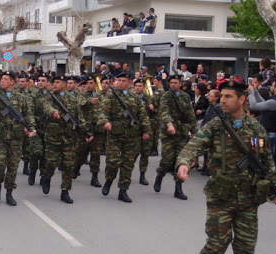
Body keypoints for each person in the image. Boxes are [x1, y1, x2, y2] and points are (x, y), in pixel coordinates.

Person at [177, 78, 276, 254]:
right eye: (222, 96)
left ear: (242, 99)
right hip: (221, 197)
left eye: (229, 97)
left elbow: (266, 164)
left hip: (249, 198)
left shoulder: (256, 128)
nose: (223, 100)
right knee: (217, 244)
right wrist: (185, 163)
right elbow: (193, 145)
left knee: (245, 250)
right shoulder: (216, 125)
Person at [0, 72, 36, 206]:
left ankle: (9, 192)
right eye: (2, 79)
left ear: (13, 82)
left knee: (13, 166)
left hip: (16, 137)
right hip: (0, 137)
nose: (2, 81)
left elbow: (28, 115)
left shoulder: (20, 97)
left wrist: (31, 128)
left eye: (6, 79)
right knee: (0, 163)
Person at [98, 72, 151, 202]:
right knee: (113, 161)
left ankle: (123, 190)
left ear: (129, 83)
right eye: (119, 80)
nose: (120, 83)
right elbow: (102, 111)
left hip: (132, 135)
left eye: (123, 81)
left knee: (128, 164)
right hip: (115, 134)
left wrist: (146, 130)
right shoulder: (111, 96)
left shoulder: (136, 98)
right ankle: (109, 180)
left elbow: (143, 115)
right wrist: (106, 122)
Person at [41, 75, 93, 204]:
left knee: (68, 165)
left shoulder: (73, 99)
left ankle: (65, 191)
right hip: (54, 137)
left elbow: (79, 117)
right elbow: (46, 106)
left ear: (64, 84)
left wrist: (87, 132)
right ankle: (46, 176)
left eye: (58, 82)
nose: (55, 84)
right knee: (52, 162)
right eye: (54, 82)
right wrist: (53, 112)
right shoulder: (49, 96)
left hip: (69, 138)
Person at [154, 73, 197, 199]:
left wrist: (194, 130)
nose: (173, 85)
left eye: (175, 83)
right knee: (166, 160)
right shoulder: (166, 96)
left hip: (182, 133)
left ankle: (178, 188)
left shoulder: (185, 96)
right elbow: (164, 112)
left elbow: (190, 114)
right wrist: (169, 124)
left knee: (180, 161)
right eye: (171, 83)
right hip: (168, 134)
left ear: (180, 84)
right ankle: (160, 175)